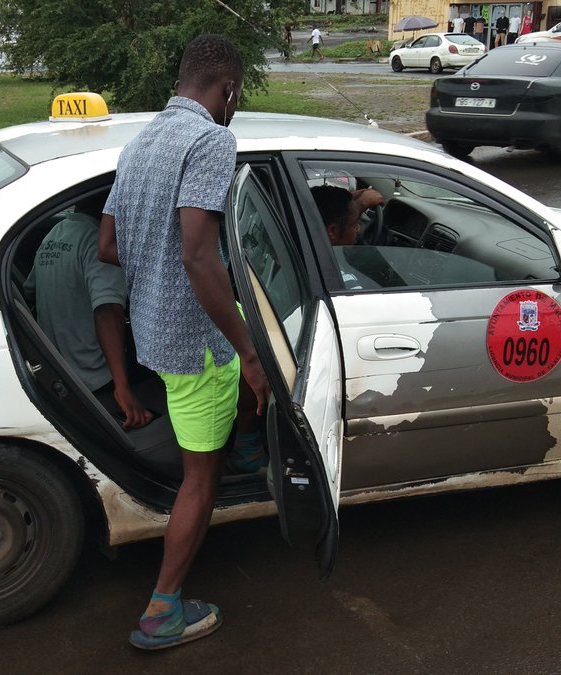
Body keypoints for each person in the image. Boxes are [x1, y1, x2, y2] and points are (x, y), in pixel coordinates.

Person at [99, 33, 270, 650]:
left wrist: (158, 271)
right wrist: (249, 352)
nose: (235, 108)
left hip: (154, 333)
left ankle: (246, 451)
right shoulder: (211, 139)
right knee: (200, 478)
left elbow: (108, 247)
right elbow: (200, 254)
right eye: (237, 97)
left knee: (220, 437)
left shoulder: (141, 142)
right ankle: (162, 610)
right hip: (199, 345)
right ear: (225, 89)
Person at [24, 192, 153, 430]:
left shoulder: (55, 233)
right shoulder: (101, 244)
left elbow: (30, 290)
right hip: (94, 373)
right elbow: (107, 311)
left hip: (58, 364)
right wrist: (121, 386)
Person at [310, 184, 384, 291]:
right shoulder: (343, 284)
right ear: (332, 231)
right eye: (354, 224)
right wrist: (361, 204)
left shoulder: (302, 253)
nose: (358, 230)